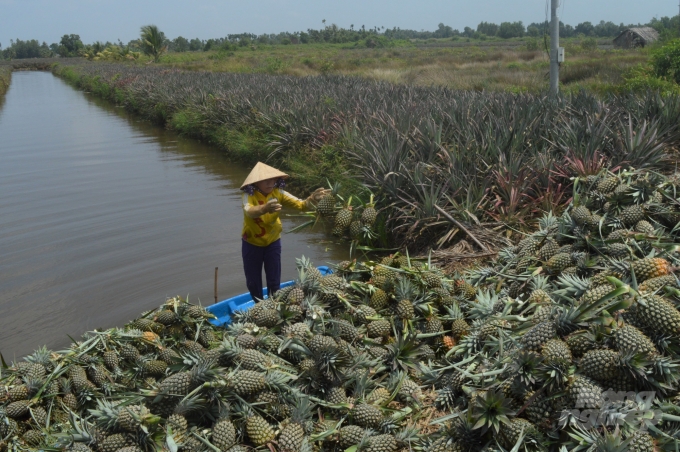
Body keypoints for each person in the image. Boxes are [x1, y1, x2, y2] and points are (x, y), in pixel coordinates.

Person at [240, 162, 328, 301]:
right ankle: (258, 305)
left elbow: (301, 205)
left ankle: (275, 304)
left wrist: (312, 199)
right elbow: (249, 211)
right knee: (253, 281)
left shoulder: (278, 193)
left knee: (274, 280)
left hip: (273, 242)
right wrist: (264, 209)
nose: (270, 183)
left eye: (273, 179)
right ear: (256, 182)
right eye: (266, 180)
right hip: (252, 243)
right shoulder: (248, 195)